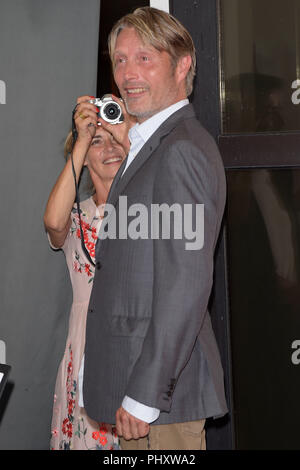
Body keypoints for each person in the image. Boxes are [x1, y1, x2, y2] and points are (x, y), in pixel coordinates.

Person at [82, 7, 228, 450]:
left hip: (161, 406)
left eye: (145, 58)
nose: (128, 73)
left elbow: (185, 285)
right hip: (141, 396)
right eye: (121, 60)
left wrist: (145, 397)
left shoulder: (181, 151)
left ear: (183, 65)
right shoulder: (149, 146)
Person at [44, 94, 134, 450]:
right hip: (84, 354)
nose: (109, 148)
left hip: (133, 349)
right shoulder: (76, 215)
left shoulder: (152, 211)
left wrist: (123, 127)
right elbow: (52, 222)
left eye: (115, 138)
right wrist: (82, 138)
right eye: (98, 141)